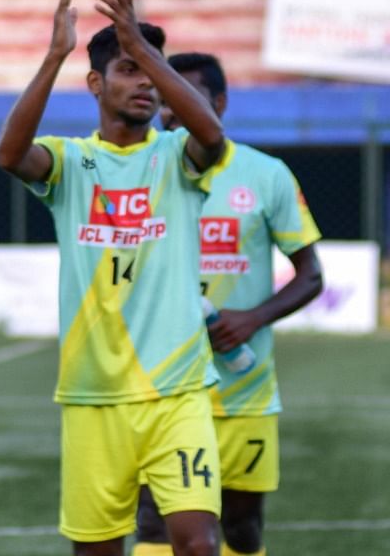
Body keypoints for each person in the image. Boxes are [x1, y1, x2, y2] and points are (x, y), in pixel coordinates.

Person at [0, 0, 226, 556]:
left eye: (150, 70)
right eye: (128, 69)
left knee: (198, 544)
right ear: (95, 83)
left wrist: (142, 45)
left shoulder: (176, 156)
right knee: (98, 549)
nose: (144, 82)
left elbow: (213, 135)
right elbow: (10, 155)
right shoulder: (71, 163)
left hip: (178, 390)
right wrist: (54, 55)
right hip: (93, 393)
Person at [132, 53, 324, 556]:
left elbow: (312, 276)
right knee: (154, 522)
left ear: (219, 104)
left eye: (184, 96)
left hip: (244, 392)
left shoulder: (267, 175)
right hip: (163, 386)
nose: (170, 110)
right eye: (163, 97)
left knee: (241, 528)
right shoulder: (135, 174)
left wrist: (252, 318)